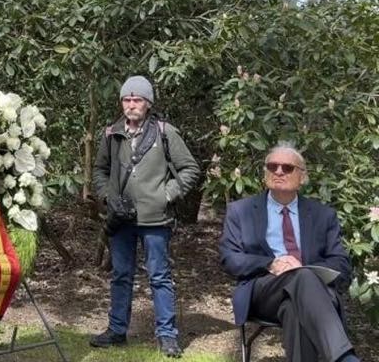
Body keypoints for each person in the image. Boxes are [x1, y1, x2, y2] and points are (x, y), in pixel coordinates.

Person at [89, 75, 202, 358]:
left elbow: (190, 169)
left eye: (136, 99)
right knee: (120, 276)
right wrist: (107, 196)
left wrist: (166, 194)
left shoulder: (165, 132)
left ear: (148, 103)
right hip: (121, 219)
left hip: (156, 220)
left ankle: (167, 336)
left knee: (160, 277)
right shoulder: (110, 133)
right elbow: (99, 171)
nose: (131, 105)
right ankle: (117, 331)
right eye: (126, 100)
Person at [219, 143, 360, 362]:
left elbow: (341, 264)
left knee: (294, 307)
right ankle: (345, 358)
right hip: (264, 290)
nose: (278, 171)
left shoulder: (323, 216)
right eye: (272, 166)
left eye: (287, 168)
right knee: (301, 275)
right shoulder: (241, 211)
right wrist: (270, 263)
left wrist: (313, 273)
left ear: (302, 177)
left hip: (312, 296)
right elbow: (229, 258)